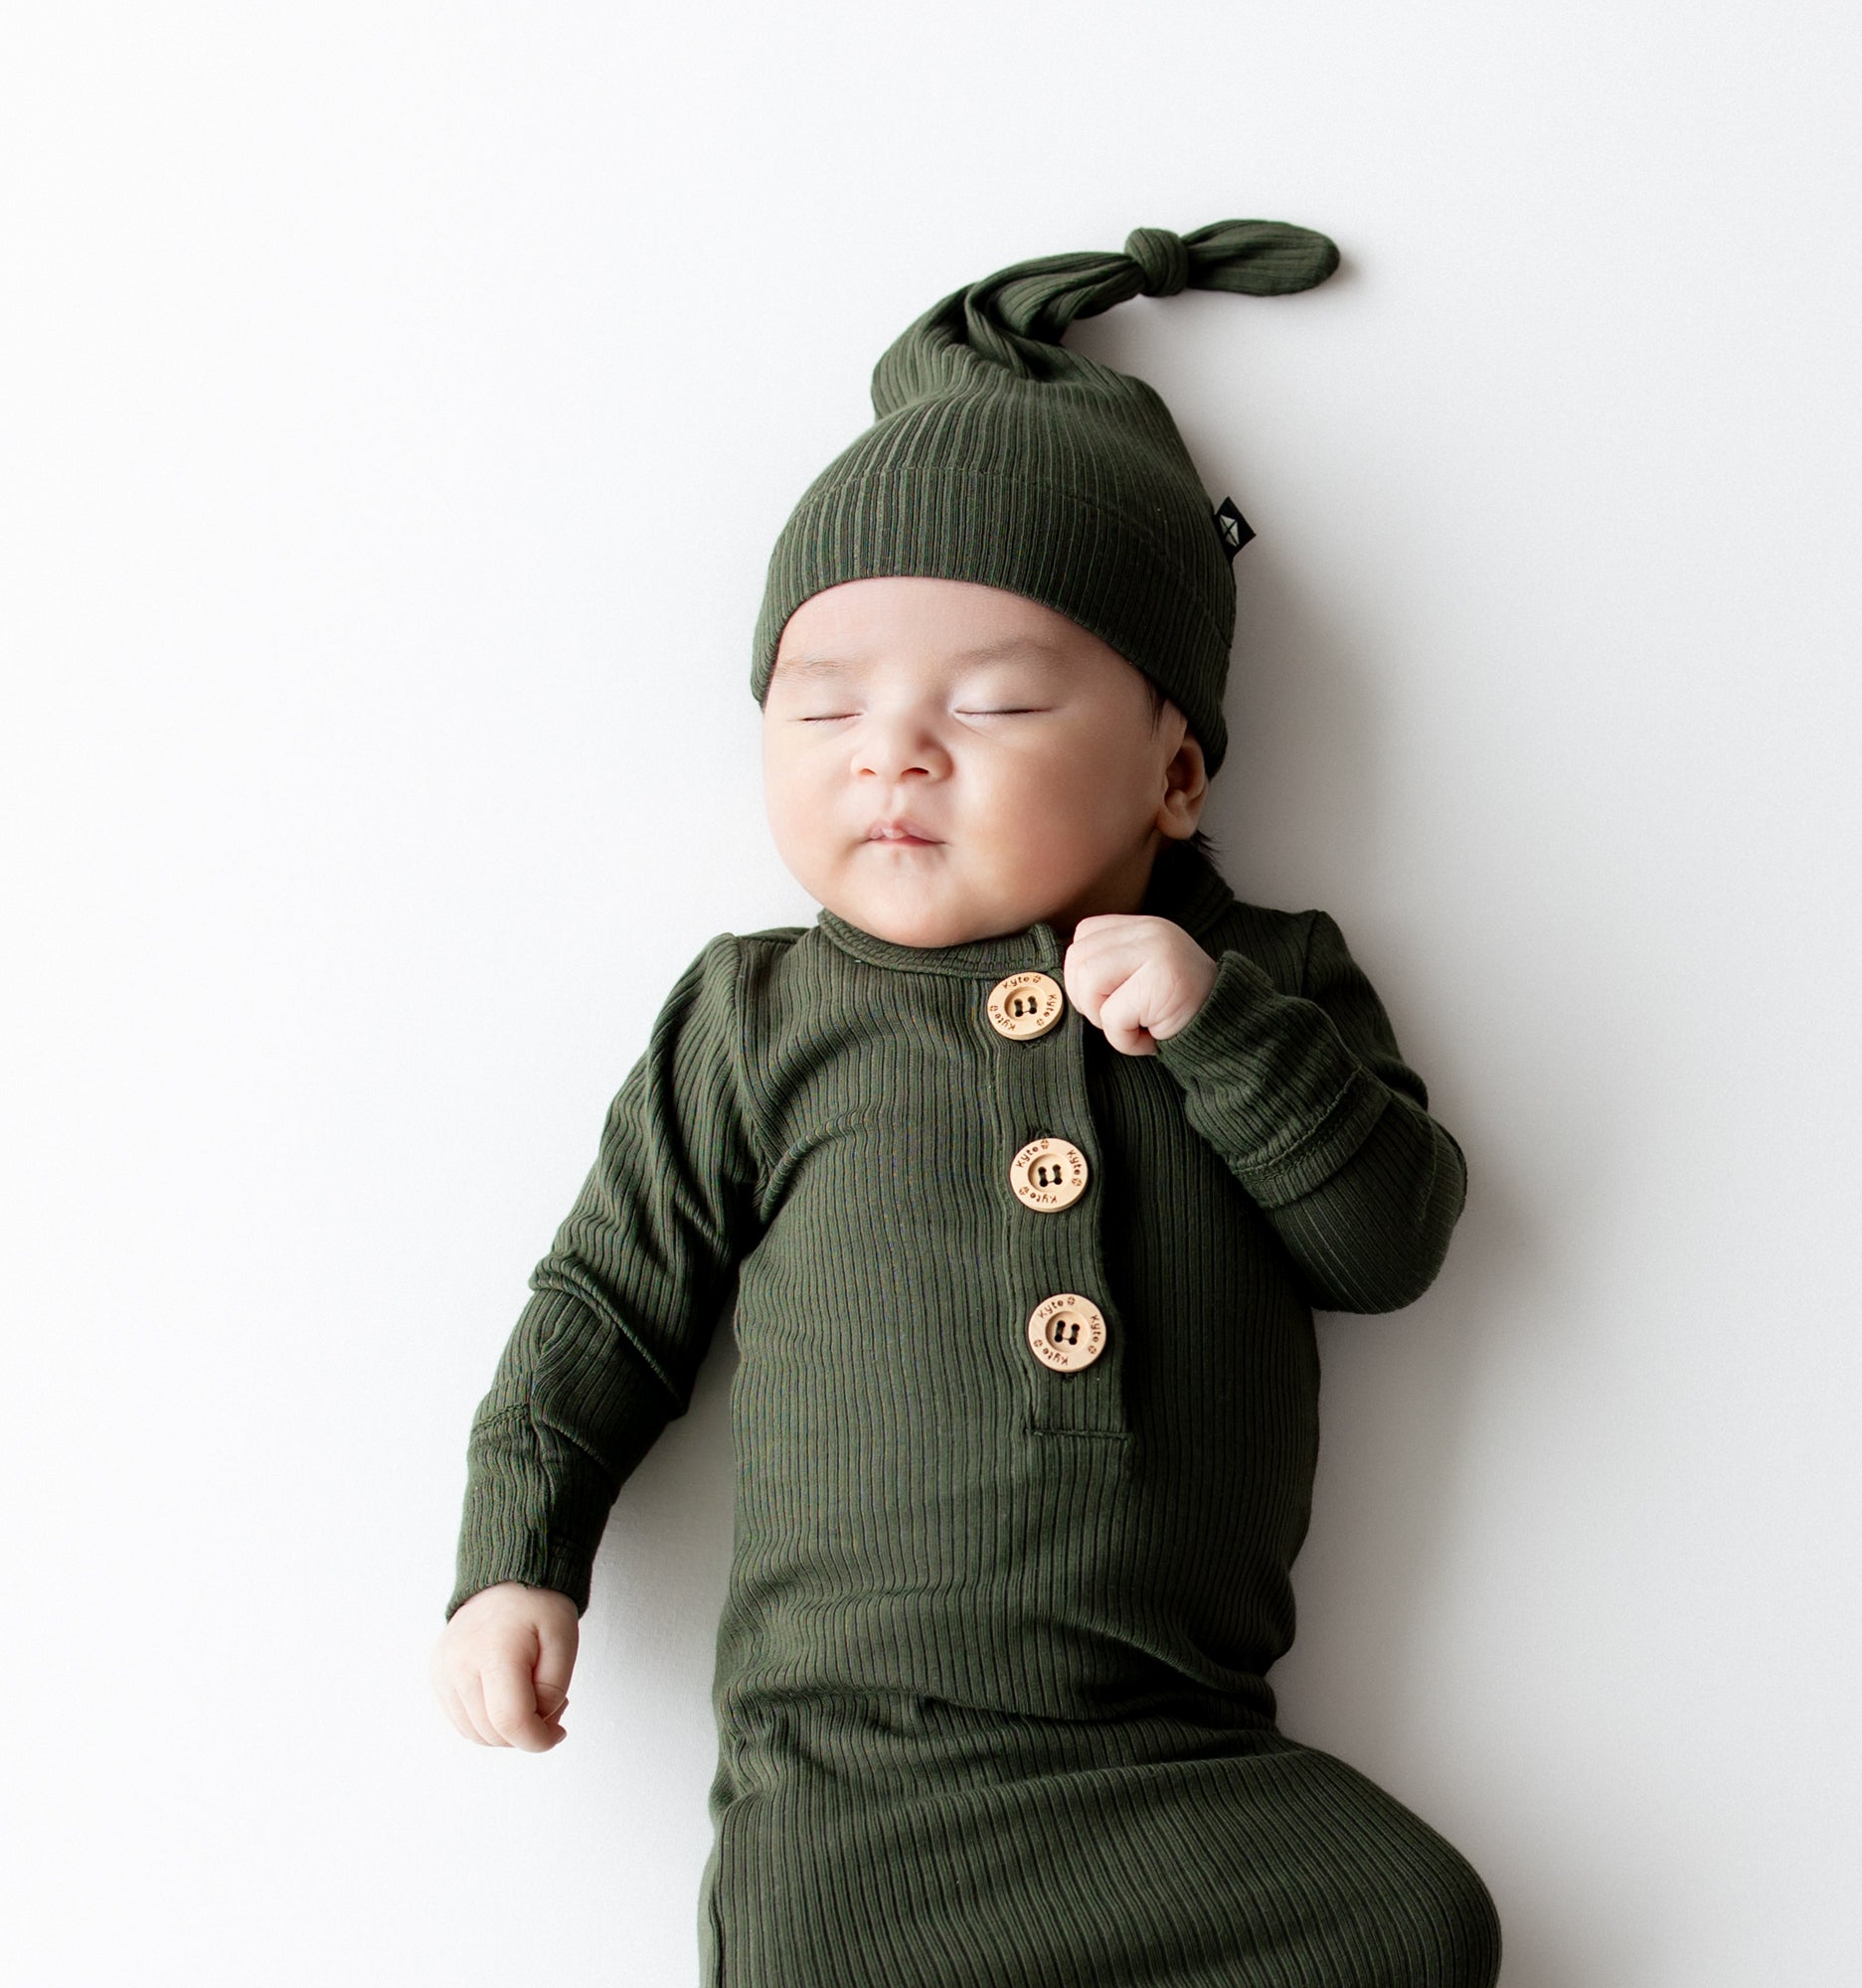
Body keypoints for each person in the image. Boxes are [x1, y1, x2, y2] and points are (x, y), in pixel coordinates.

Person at [430, 219, 1501, 1987]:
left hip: (1172, 1753)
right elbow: (606, 1304)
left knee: (1415, 1923)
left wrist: (1219, 1030)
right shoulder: (758, 1014)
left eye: (994, 701)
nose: (890, 751)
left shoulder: (1269, 976)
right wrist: (513, 1556)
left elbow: (1390, 1245)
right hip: (848, 1784)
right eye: (819, 705)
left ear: (1176, 763)